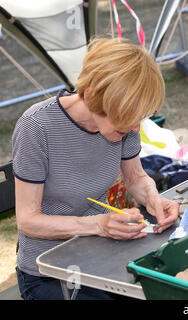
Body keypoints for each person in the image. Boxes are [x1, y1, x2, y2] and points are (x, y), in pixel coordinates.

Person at [12, 38, 179, 300]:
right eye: (126, 121)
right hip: (49, 273)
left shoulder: (126, 121)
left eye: (138, 120)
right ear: (90, 95)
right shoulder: (36, 127)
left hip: (103, 255)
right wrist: (99, 225)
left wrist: (154, 199)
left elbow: (135, 177)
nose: (135, 129)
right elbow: (28, 220)